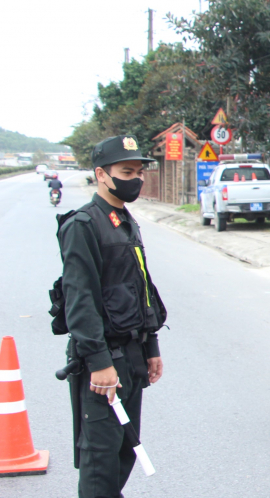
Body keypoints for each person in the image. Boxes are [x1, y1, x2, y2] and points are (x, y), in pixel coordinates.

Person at [57, 135, 166, 498]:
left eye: (139, 172)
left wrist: (151, 346)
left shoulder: (124, 220)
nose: (136, 179)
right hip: (105, 360)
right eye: (126, 172)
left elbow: (142, 288)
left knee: (124, 451)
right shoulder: (83, 225)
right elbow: (80, 299)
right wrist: (99, 362)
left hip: (131, 355)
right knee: (100, 460)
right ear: (102, 174)